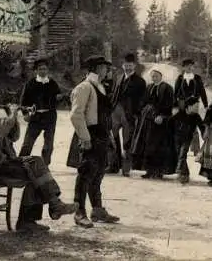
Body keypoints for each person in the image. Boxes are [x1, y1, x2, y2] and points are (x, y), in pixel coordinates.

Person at [0, 82, 77, 232]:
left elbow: (13, 137)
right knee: (36, 163)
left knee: (35, 172)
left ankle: (31, 220)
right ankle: (48, 208)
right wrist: (12, 115)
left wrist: (13, 119)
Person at [67, 55, 120, 228]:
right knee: (85, 174)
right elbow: (76, 115)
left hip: (102, 135)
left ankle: (97, 210)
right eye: (105, 68)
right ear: (97, 68)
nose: (107, 71)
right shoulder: (84, 87)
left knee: (98, 175)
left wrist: (109, 136)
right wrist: (85, 138)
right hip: (90, 135)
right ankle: (79, 212)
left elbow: (105, 115)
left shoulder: (101, 87)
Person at [130, 67, 176, 179]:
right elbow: (143, 101)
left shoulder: (167, 88)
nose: (154, 78)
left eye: (156, 76)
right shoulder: (149, 87)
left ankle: (159, 171)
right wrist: (141, 111)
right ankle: (149, 170)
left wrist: (161, 116)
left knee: (159, 146)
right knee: (146, 145)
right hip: (147, 121)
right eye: (152, 76)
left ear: (161, 76)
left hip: (160, 121)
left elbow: (169, 104)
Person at [18, 58, 64, 166]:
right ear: (36, 71)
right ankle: (20, 165)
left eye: (45, 69)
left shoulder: (52, 83)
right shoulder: (30, 83)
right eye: (40, 69)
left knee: (48, 145)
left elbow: (58, 97)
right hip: (35, 116)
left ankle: (44, 166)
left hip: (50, 117)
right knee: (27, 143)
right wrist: (25, 114)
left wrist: (59, 98)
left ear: (48, 70)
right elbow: (23, 100)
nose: (43, 71)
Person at [108, 53, 146, 176]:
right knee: (111, 138)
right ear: (122, 65)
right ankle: (113, 165)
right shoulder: (118, 77)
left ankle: (126, 169)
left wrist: (136, 113)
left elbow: (142, 100)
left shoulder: (140, 81)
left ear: (134, 66)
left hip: (129, 114)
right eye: (126, 65)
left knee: (127, 141)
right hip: (116, 111)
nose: (128, 67)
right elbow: (114, 94)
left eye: (130, 65)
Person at [174, 58, 209, 156]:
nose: (189, 67)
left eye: (191, 66)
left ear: (193, 67)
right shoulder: (180, 78)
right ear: (184, 67)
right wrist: (175, 106)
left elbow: (202, 91)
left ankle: (196, 149)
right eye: (187, 66)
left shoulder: (197, 78)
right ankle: (183, 147)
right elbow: (175, 93)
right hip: (182, 104)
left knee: (193, 125)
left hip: (194, 104)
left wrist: (206, 105)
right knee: (183, 125)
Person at [171, 96, 205, 184]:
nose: (197, 108)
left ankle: (180, 172)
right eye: (196, 106)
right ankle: (185, 174)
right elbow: (170, 122)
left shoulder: (196, 116)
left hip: (187, 139)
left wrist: (204, 134)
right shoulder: (180, 113)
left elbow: (202, 127)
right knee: (180, 154)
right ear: (189, 106)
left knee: (182, 154)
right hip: (177, 138)